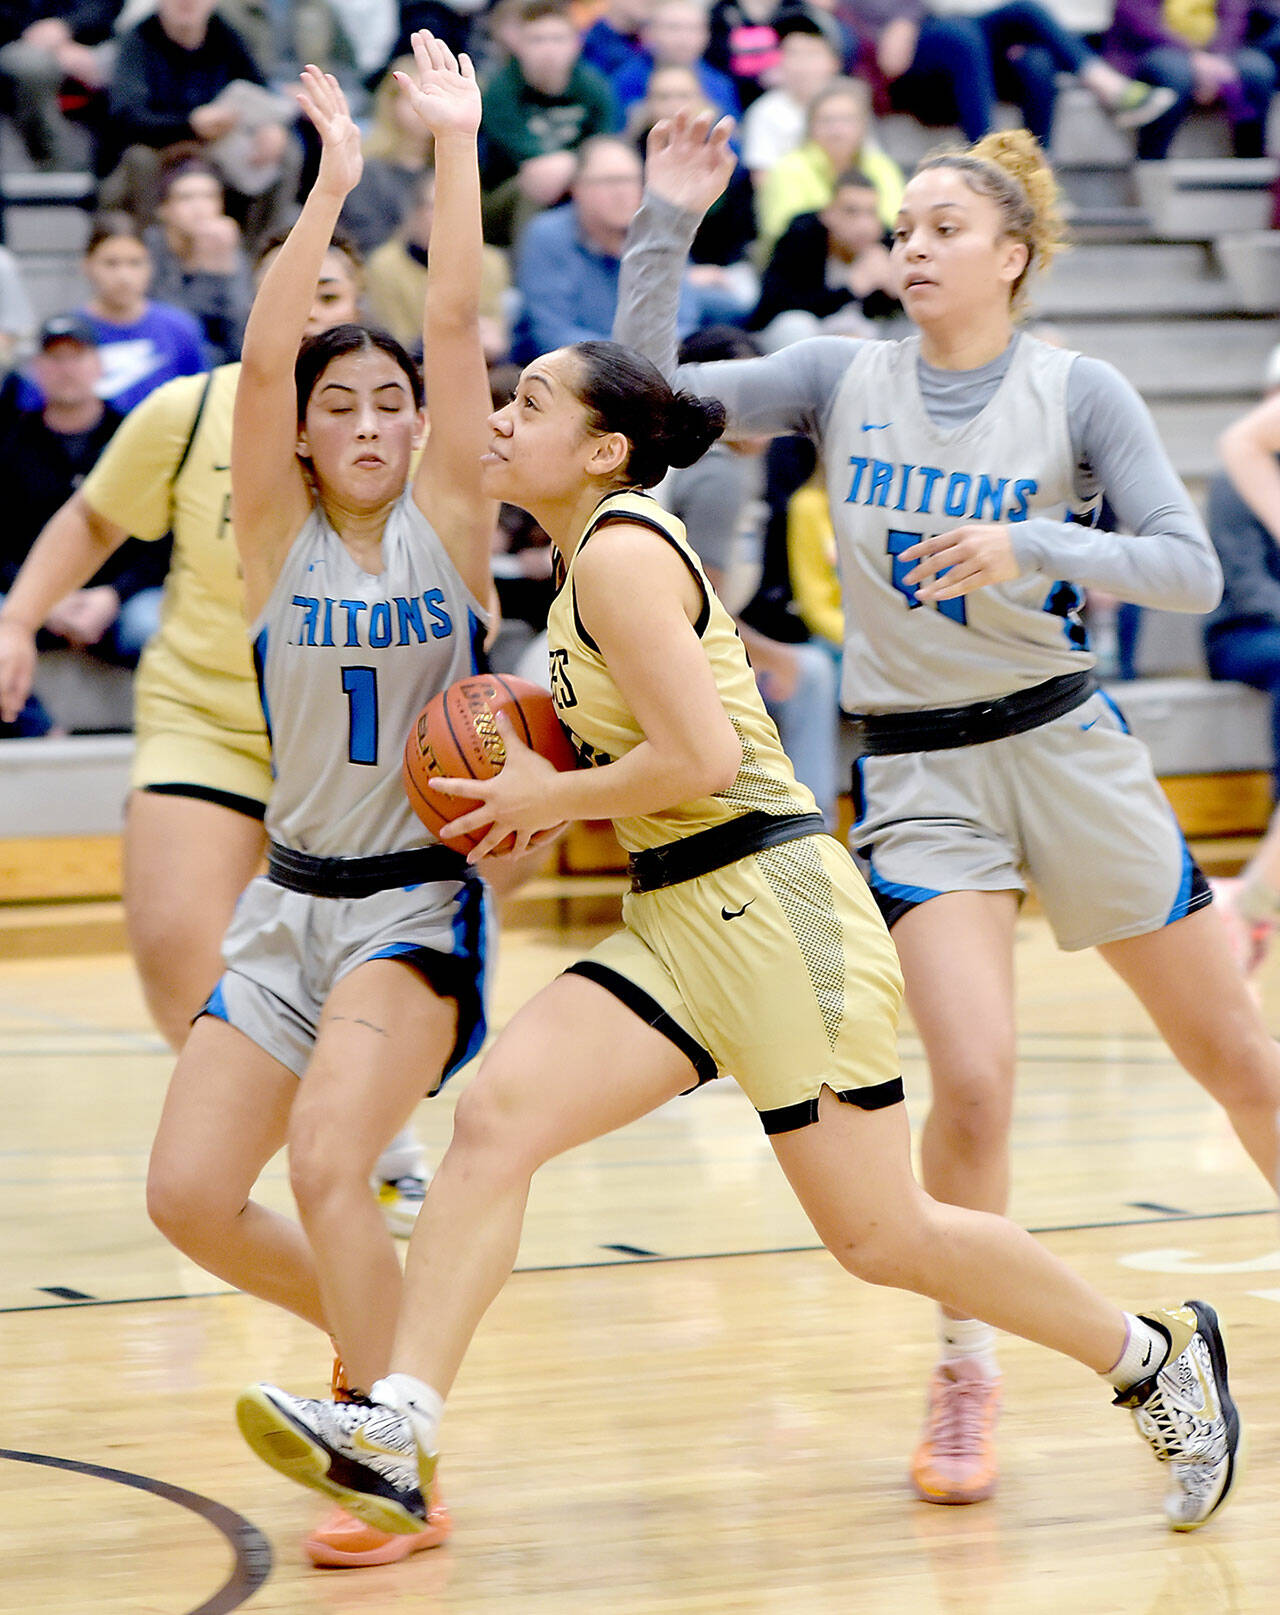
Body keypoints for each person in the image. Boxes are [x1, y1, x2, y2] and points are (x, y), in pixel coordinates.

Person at [233, 325, 1241, 1543]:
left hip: (774, 907)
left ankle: (1151, 1357)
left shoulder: (619, 552)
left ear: (600, 450)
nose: (497, 418)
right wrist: (545, 794)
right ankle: (401, 1425)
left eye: (529, 403)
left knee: (881, 1233)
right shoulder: (579, 561)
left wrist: (552, 793)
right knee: (495, 1119)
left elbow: (706, 756)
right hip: (675, 911)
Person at [606, 109, 1280, 1511]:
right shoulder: (841, 373)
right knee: (971, 1080)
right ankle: (965, 1365)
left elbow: (1189, 568)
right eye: (903, 228)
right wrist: (665, 222)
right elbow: (644, 406)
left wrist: (1031, 539)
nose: (912, 246)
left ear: (1010, 255)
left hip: (1068, 749)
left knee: (1237, 1055)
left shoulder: (1079, 389)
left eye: (943, 228)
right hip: (920, 773)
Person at [145, 38, 494, 1567]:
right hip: (286, 903)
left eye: (387, 404)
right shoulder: (272, 534)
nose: (363, 420)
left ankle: (393, 1454)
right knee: (186, 1196)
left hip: (411, 902)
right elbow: (268, 335)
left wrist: (453, 145)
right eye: (336, 402)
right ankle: (383, 1347)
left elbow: (459, 320)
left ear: (419, 429)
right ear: (295, 430)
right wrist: (331, 186)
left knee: (331, 1164)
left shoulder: (456, 524)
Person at [0, 315, 166, 715]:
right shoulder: (9, 444)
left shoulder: (136, 437)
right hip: (28, 596)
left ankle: (172, 731)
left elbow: (163, 538)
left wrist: (113, 595)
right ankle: (33, 725)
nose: (66, 369)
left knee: (157, 627)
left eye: (77, 357)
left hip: (121, 597)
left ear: (99, 364)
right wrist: (40, 599)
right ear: (36, 368)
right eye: (55, 359)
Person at [99, 0, 301, 251]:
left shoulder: (226, 35)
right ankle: (150, 256)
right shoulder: (138, 40)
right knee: (140, 160)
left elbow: (260, 92)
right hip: (157, 148)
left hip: (218, 150)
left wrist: (272, 126)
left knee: (286, 152)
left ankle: (259, 254)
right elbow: (127, 118)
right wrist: (190, 124)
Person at [1204, 363, 1280, 976]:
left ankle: (1251, 903)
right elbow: (1251, 592)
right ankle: (1250, 905)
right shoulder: (1239, 480)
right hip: (1247, 631)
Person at [510, 134, 700, 361]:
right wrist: (632, 359)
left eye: (630, 180)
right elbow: (552, 334)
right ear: (577, 188)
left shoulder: (657, 233)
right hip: (571, 371)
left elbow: (684, 322)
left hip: (649, 367)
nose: (622, 192)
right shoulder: (547, 235)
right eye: (609, 181)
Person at [478, 0, 620, 246]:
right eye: (537, 39)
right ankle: (528, 265)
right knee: (537, 183)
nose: (548, 49)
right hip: (505, 194)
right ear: (519, 45)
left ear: (575, 44)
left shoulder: (594, 87)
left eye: (558, 39)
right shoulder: (499, 91)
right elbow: (517, 151)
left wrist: (571, 164)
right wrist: (569, 162)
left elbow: (604, 145)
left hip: (578, 181)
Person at [365, 168, 512, 361]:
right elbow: (396, 342)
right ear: (415, 212)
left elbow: (494, 330)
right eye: (438, 206)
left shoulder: (491, 262)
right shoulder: (384, 266)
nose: (450, 216)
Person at [750, 164, 900, 346]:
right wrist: (851, 288)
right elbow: (774, 305)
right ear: (828, 214)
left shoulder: (887, 244)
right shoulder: (802, 235)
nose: (863, 224)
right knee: (796, 326)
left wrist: (897, 291)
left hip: (862, 336)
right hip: (805, 335)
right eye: (851, 212)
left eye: (871, 213)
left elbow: (887, 313)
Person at [1105, 0, 1277, 158]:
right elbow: (1140, 20)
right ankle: (1152, 162)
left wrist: (1216, 59)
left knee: (1257, 70)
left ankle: (1250, 164)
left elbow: (1234, 15)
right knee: (1174, 72)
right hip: (1152, 49)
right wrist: (1194, 58)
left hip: (1220, 53)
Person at [75, 213, 207, 415]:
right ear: (87, 265)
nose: (124, 276)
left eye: (135, 263)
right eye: (111, 263)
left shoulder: (180, 329)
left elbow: (202, 401)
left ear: (151, 266)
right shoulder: (68, 333)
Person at [754, 75, 902, 253]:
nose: (837, 130)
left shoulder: (882, 166)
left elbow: (897, 224)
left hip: (874, 256)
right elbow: (781, 231)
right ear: (810, 126)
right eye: (827, 120)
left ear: (864, 125)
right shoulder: (788, 169)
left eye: (847, 120)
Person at [145, 158, 255, 367]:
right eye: (186, 198)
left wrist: (225, 269)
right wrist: (211, 275)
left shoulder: (228, 249)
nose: (199, 207)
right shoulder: (149, 252)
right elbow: (180, 332)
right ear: (163, 208)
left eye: (209, 197)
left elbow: (242, 341)